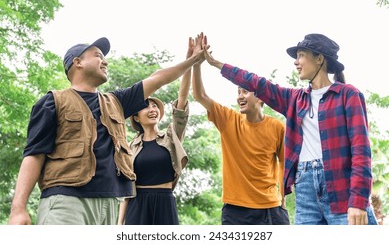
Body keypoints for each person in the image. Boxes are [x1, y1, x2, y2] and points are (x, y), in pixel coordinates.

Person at [8, 33, 206, 225]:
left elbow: (158, 78)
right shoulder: (52, 102)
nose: (105, 62)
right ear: (78, 62)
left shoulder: (117, 102)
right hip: (67, 200)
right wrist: (18, 208)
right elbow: (34, 155)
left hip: (109, 205)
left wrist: (190, 61)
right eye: (98, 56)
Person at [202, 33, 377, 225]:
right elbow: (257, 83)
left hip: (340, 190)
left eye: (301, 55)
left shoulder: (347, 95)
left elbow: (361, 151)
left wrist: (358, 201)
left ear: (319, 59)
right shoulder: (295, 99)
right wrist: (216, 63)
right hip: (306, 192)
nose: (296, 62)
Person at [192, 46, 289, 225]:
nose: (240, 97)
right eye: (238, 92)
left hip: (271, 208)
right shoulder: (228, 120)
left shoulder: (277, 127)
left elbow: (284, 163)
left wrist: (283, 196)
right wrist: (196, 64)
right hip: (235, 210)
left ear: (260, 98)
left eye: (245, 91)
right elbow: (199, 95)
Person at [117, 35, 199, 225]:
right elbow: (127, 188)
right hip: (137, 205)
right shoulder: (132, 146)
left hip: (165, 201)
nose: (152, 109)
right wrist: (120, 223)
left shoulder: (171, 137)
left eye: (155, 106)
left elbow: (182, 101)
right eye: (146, 106)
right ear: (136, 117)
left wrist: (189, 62)